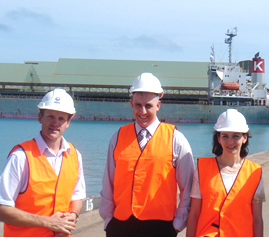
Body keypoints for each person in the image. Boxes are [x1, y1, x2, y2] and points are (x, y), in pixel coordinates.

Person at [99, 72, 195, 237]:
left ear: (158, 105)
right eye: (138, 105)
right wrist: (109, 221)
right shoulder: (118, 137)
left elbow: (188, 187)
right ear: (131, 104)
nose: (142, 111)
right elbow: (108, 183)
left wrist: (178, 224)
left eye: (148, 106)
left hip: (160, 228)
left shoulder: (176, 139)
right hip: (120, 227)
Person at [0, 89, 86, 237]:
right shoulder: (21, 157)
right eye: (50, 116)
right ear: (40, 117)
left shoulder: (75, 155)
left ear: (68, 122)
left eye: (61, 118)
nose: (55, 123)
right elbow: (2, 208)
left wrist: (74, 214)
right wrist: (46, 222)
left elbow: (77, 196)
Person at [186, 109, 265, 237]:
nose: (230, 142)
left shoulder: (255, 173)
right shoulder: (202, 168)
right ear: (218, 138)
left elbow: (257, 219)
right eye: (225, 136)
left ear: (244, 138)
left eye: (235, 136)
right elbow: (194, 215)